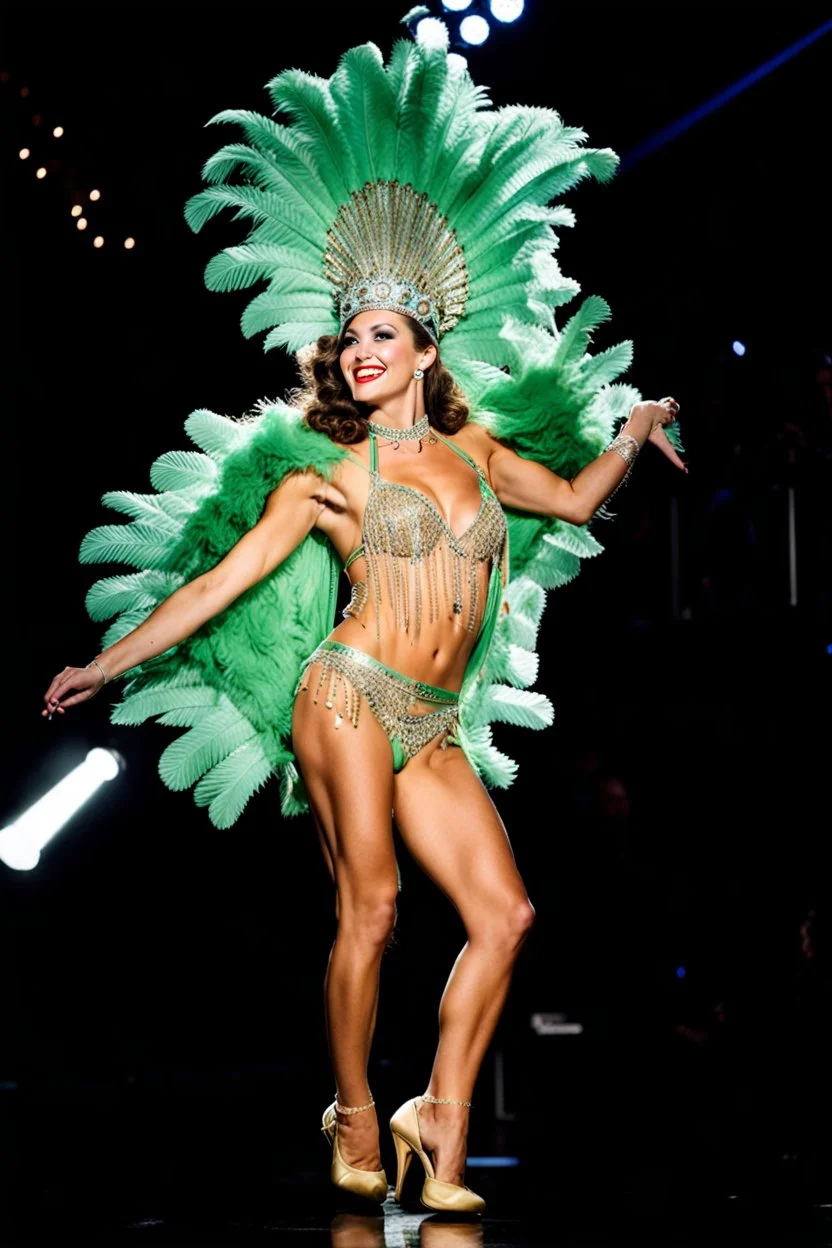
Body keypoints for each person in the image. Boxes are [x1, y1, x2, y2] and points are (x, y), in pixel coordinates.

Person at [40, 26, 684, 1214]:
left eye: (382, 334)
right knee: (374, 909)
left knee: (507, 915)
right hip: (344, 695)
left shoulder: (483, 453)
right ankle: (348, 1104)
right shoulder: (321, 479)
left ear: (426, 347)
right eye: (350, 338)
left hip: (431, 720)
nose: (359, 350)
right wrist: (104, 661)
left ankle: (435, 1112)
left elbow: (584, 497)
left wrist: (635, 434)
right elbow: (213, 588)